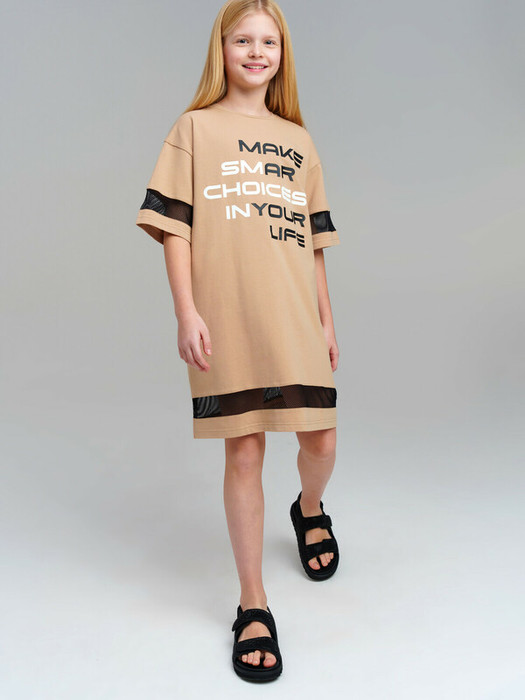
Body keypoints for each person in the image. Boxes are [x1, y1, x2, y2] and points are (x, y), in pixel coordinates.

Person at [135, 0, 341, 683]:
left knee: (321, 441)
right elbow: (175, 228)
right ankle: (253, 604)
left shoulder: (298, 140)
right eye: (243, 40)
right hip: (226, 318)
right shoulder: (193, 129)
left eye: (268, 42)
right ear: (220, 49)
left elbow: (313, 242)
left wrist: (327, 320)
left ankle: (308, 509)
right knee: (245, 451)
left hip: (294, 316)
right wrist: (186, 312)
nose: (256, 52)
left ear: (282, 55)